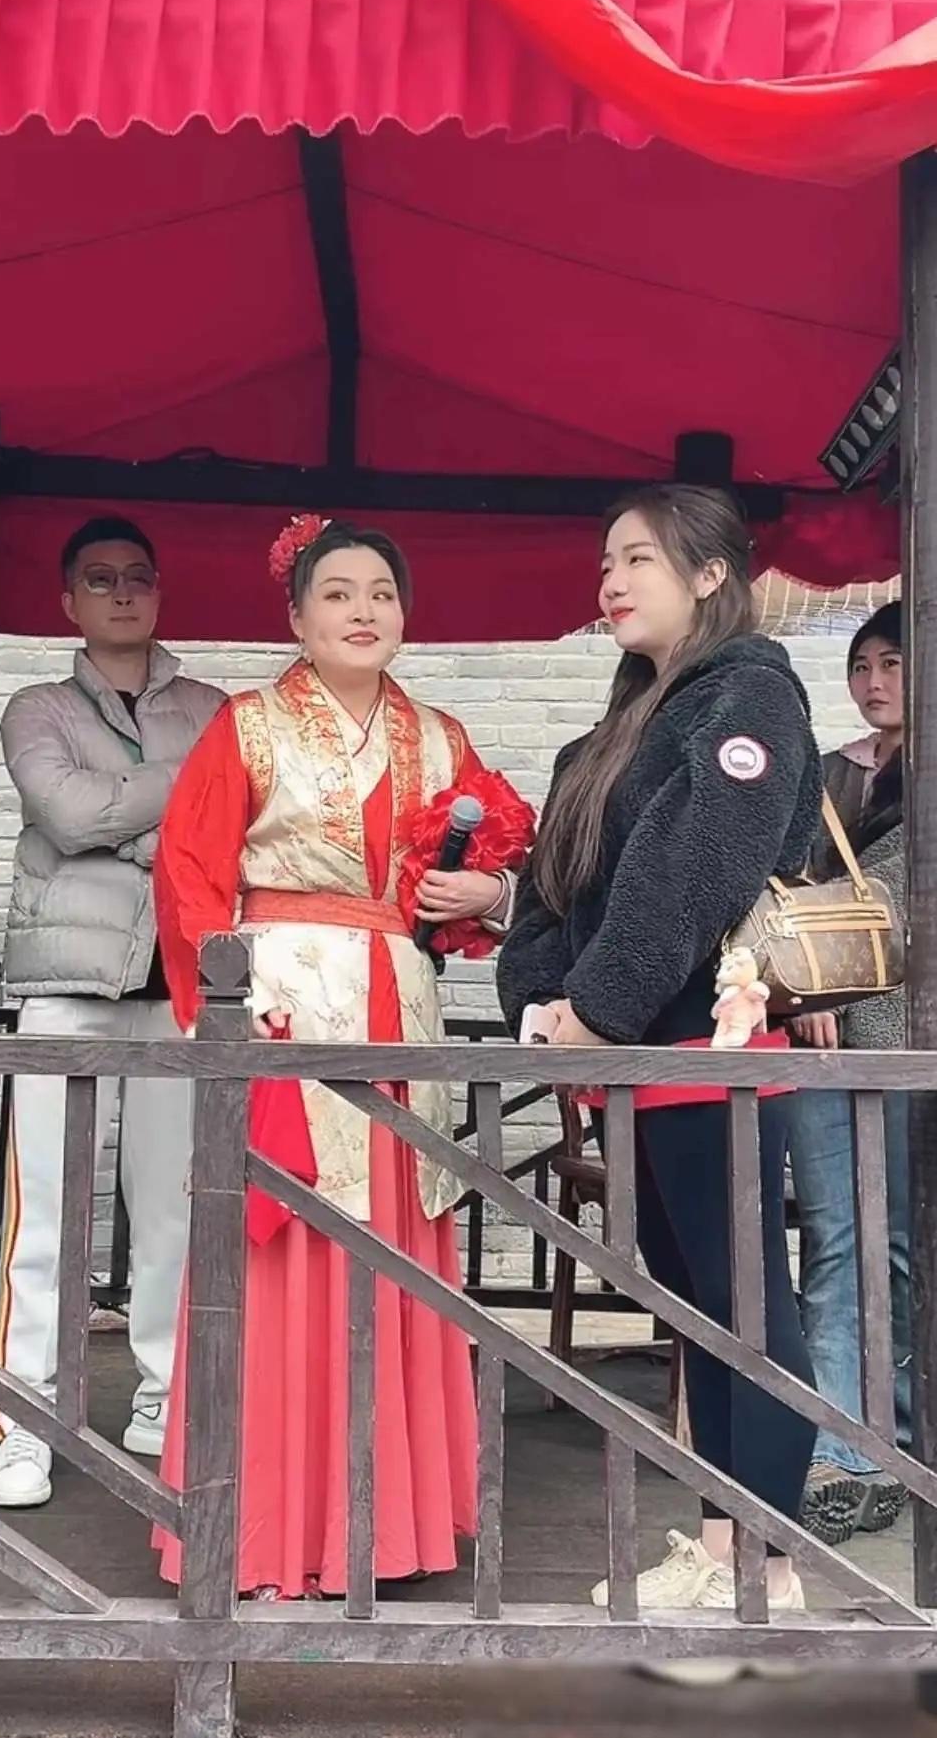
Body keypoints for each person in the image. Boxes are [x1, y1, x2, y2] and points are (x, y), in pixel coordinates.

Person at [153, 518, 515, 1599]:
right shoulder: (249, 725)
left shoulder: (441, 736)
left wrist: (485, 891)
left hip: (398, 1008)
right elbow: (188, 872)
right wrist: (227, 1008)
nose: (364, 610)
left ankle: (387, 1524)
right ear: (297, 616)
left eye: (382, 593)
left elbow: (475, 887)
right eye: (339, 592)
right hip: (284, 1004)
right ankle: (263, 1528)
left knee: (392, 1248)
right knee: (283, 1246)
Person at [497, 484, 823, 1628]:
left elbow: (690, 868)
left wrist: (597, 1007)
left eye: (637, 558)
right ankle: (728, 1543)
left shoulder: (750, 693)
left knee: (745, 1307)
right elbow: (555, 880)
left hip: (707, 1045)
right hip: (630, 1053)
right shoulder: (618, 724)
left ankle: (768, 1564)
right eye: (606, 562)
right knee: (695, 1308)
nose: (612, 580)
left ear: (709, 573)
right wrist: (542, 1001)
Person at [0, 516, 224, 1510]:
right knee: (44, 1212)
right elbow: (67, 813)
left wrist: (122, 816)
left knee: (173, 1208)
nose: (122, 592)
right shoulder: (35, 706)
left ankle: (163, 1398)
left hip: (177, 983)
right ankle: (21, 1420)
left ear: (159, 591)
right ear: (67, 600)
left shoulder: (213, 706)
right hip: (65, 982)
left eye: (137, 576)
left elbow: (225, 830)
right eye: (99, 578)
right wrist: (176, 799)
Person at [788, 602, 909, 1546]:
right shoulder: (825, 775)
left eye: (892, 662)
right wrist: (804, 993)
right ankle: (839, 1446)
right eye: (861, 665)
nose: (872, 681)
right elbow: (780, 897)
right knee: (836, 1237)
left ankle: (897, 1443)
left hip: (911, 1040)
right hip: (823, 1035)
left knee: (901, 1244)